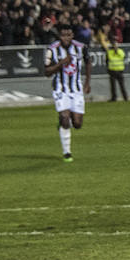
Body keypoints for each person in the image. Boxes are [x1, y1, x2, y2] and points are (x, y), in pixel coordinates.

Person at [45, 23, 90, 162]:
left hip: (76, 89)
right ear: (59, 36)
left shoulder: (81, 47)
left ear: (72, 35)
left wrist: (87, 82)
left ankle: (63, 123)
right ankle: (67, 153)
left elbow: (88, 62)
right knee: (65, 118)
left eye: (68, 35)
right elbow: (46, 72)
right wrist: (61, 63)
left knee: (77, 124)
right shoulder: (51, 50)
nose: (66, 38)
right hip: (60, 88)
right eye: (63, 35)